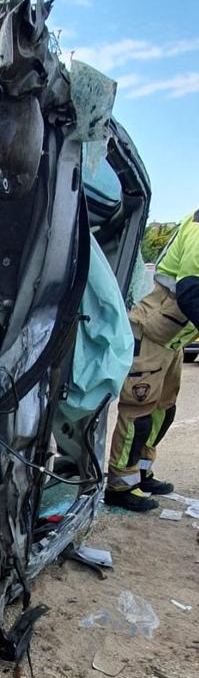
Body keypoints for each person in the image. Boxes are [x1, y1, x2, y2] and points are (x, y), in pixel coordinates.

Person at [106, 210, 199, 511]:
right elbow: (191, 291)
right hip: (153, 329)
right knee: (139, 411)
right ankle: (120, 484)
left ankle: (142, 471)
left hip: (175, 335)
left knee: (164, 410)